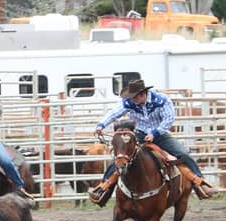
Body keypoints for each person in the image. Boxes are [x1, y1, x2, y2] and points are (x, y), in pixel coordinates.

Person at [88, 78, 217, 205]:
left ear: (143, 94)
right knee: (121, 158)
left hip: (160, 134)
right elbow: (114, 113)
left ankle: (200, 183)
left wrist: (154, 133)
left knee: (183, 154)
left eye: (134, 97)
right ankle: (103, 187)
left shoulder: (162, 100)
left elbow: (169, 119)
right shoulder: (129, 102)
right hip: (138, 134)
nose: (132, 100)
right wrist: (101, 125)